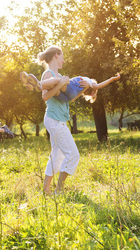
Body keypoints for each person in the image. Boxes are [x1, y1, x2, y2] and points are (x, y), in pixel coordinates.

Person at [35, 46, 81, 195]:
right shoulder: (48, 74)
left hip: (58, 120)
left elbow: (69, 98)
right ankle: (59, 190)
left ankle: (46, 189)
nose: (64, 60)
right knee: (73, 155)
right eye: (62, 56)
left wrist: (84, 89)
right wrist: (60, 84)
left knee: (57, 155)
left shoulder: (58, 75)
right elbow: (44, 97)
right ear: (56, 55)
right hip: (54, 119)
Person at [20, 71, 120, 103]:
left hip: (71, 88)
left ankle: (39, 84)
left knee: (57, 80)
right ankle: (34, 85)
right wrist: (85, 89)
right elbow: (72, 99)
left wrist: (112, 78)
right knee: (55, 88)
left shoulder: (89, 83)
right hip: (65, 98)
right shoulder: (84, 88)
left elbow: (99, 85)